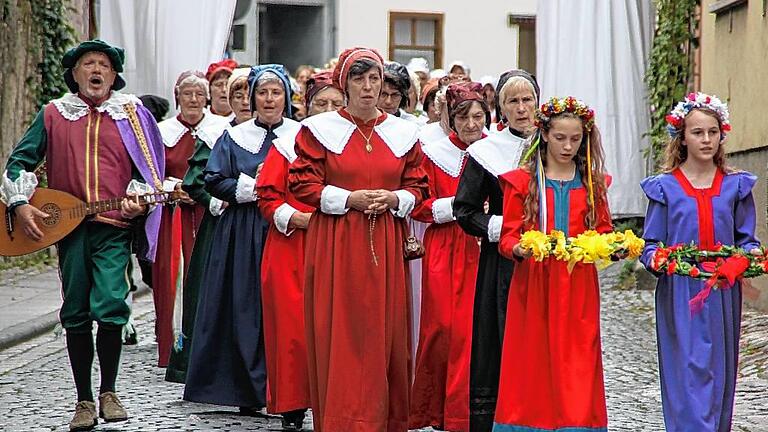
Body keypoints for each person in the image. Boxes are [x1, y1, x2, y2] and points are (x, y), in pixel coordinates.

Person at [0, 39, 165, 431]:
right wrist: (21, 204)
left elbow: (150, 171)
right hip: (69, 230)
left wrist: (139, 200)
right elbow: (17, 163)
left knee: (111, 303)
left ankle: (109, 390)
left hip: (114, 229)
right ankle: (84, 400)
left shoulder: (132, 114)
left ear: (113, 74)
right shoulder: (54, 114)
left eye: (104, 65)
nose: (96, 70)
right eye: (88, 63)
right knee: (75, 310)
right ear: (74, 75)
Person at [288, 47, 429, 432]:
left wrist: (395, 198)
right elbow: (301, 183)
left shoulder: (403, 133)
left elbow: (418, 184)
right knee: (341, 331)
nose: (368, 88)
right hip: (336, 242)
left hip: (385, 241)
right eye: (359, 79)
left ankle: (383, 418)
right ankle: (341, 420)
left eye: (375, 80)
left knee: (384, 332)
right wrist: (346, 198)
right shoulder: (319, 131)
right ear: (344, 84)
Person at [183, 64, 300, 413]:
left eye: (275, 92)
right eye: (262, 93)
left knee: (286, 309)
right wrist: (253, 188)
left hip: (285, 230)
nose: (268, 99)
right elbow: (213, 179)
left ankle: (288, 389)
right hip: (243, 232)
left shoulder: (300, 135)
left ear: (286, 98)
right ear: (252, 98)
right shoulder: (233, 137)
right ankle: (247, 391)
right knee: (244, 306)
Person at [639, 93, 759, 432]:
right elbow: (650, 246)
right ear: (683, 137)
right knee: (687, 369)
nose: (706, 140)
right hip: (680, 292)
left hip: (722, 293)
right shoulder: (665, 188)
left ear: (722, 135)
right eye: (697, 133)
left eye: (712, 132)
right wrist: (660, 259)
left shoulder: (736, 186)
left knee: (718, 369)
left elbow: (746, 241)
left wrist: (743, 260)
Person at [494, 96, 612, 432]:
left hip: (578, 287)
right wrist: (520, 250)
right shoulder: (523, 182)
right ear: (544, 134)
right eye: (560, 137)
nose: (568, 146)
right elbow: (507, 237)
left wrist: (610, 246)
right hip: (534, 286)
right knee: (531, 362)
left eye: (575, 139)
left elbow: (602, 230)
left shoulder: (592, 184)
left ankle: (576, 424)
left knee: (578, 361)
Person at [453, 70, 539, 432]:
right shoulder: (487, 153)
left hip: (548, 260)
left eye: (527, 100)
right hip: (503, 262)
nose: (522, 108)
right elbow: (465, 210)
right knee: (502, 340)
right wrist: (504, 229)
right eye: (513, 102)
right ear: (500, 109)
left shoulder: (557, 142)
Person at [255, 69, 339, 432]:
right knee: (293, 330)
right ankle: (293, 404)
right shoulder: (287, 144)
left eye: (336, 103)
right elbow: (268, 196)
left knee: (334, 328)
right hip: (291, 248)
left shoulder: (347, 144)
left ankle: (334, 400)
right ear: (307, 106)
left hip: (337, 248)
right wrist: (298, 219)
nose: (328, 109)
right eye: (322, 103)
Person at [164, 67, 252, 384]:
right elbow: (194, 180)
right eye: (237, 95)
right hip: (221, 227)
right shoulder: (216, 134)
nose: (243, 101)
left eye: (247, 93)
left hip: (259, 228)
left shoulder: (273, 134)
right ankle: (203, 366)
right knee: (209, 294)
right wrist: (217, 201)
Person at [409, 82, 488, 432]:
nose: (472, 123)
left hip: (483, 246)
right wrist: (457, 208)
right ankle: (436, 409)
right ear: (450, 119)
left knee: (476, 330)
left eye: (478, 115)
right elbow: (420, 204)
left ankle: (470, 410)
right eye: (463, 116)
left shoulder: (494, 151)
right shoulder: (433, 154)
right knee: (441, 327)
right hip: (445, 247)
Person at [153, 71, 229, 368]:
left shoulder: (219, 130)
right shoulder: (163, 132)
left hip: (209, 213)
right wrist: (173, 189)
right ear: (178, 97)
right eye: (187, 94)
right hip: (174, 216)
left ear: (207, 97)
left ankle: (208, 347)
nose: (194, 99)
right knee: (171, 278)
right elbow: (151, 172)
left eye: (199, 94)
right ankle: (174, 349)